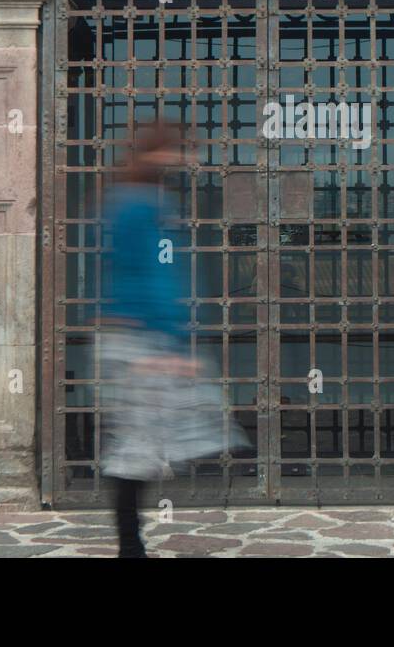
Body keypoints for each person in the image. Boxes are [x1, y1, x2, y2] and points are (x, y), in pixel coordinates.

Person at [98, 122, 243, 557]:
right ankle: (130, 544)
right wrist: (172, 341)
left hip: (131, 337)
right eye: (180, 151)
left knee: (141, 443)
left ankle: (131, 541)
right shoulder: (143, 205)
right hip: (143, 341)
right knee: (138, 447)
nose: (185, 159)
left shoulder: (123, 199)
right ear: (160, 153)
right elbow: (152, 277)